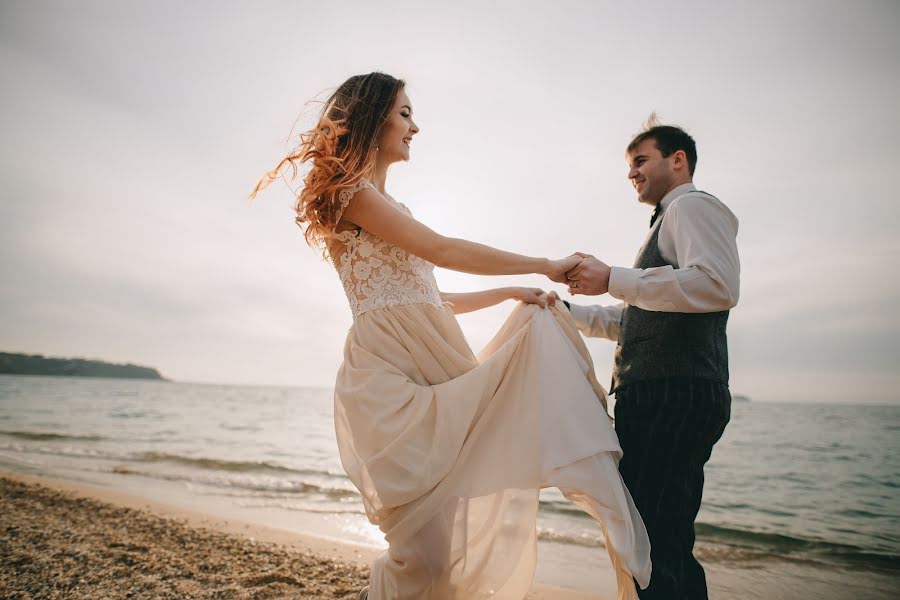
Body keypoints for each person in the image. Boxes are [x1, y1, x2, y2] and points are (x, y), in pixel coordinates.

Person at [252, 72, 651, 599]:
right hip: (390, 376)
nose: (415, 126)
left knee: (439, 550)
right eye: (404, 113)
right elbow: (446, 252)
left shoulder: (397, 209)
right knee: (422, 551)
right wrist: (545, 265)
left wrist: (513, 292)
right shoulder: (353, 196)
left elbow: (433, 298)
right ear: (372, 117)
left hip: (437, 364)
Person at [555, 118, 740, 599]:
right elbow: (635, 321)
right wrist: (564, 311)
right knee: (659, 535)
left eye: (640, 160)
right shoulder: (665, 224)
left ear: (678, 160)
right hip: (656, 393)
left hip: (674, 392)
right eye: (629, 166)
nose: (632, 174)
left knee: (654, 539)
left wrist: (614, 276)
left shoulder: (693, 208)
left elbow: (716, 285)